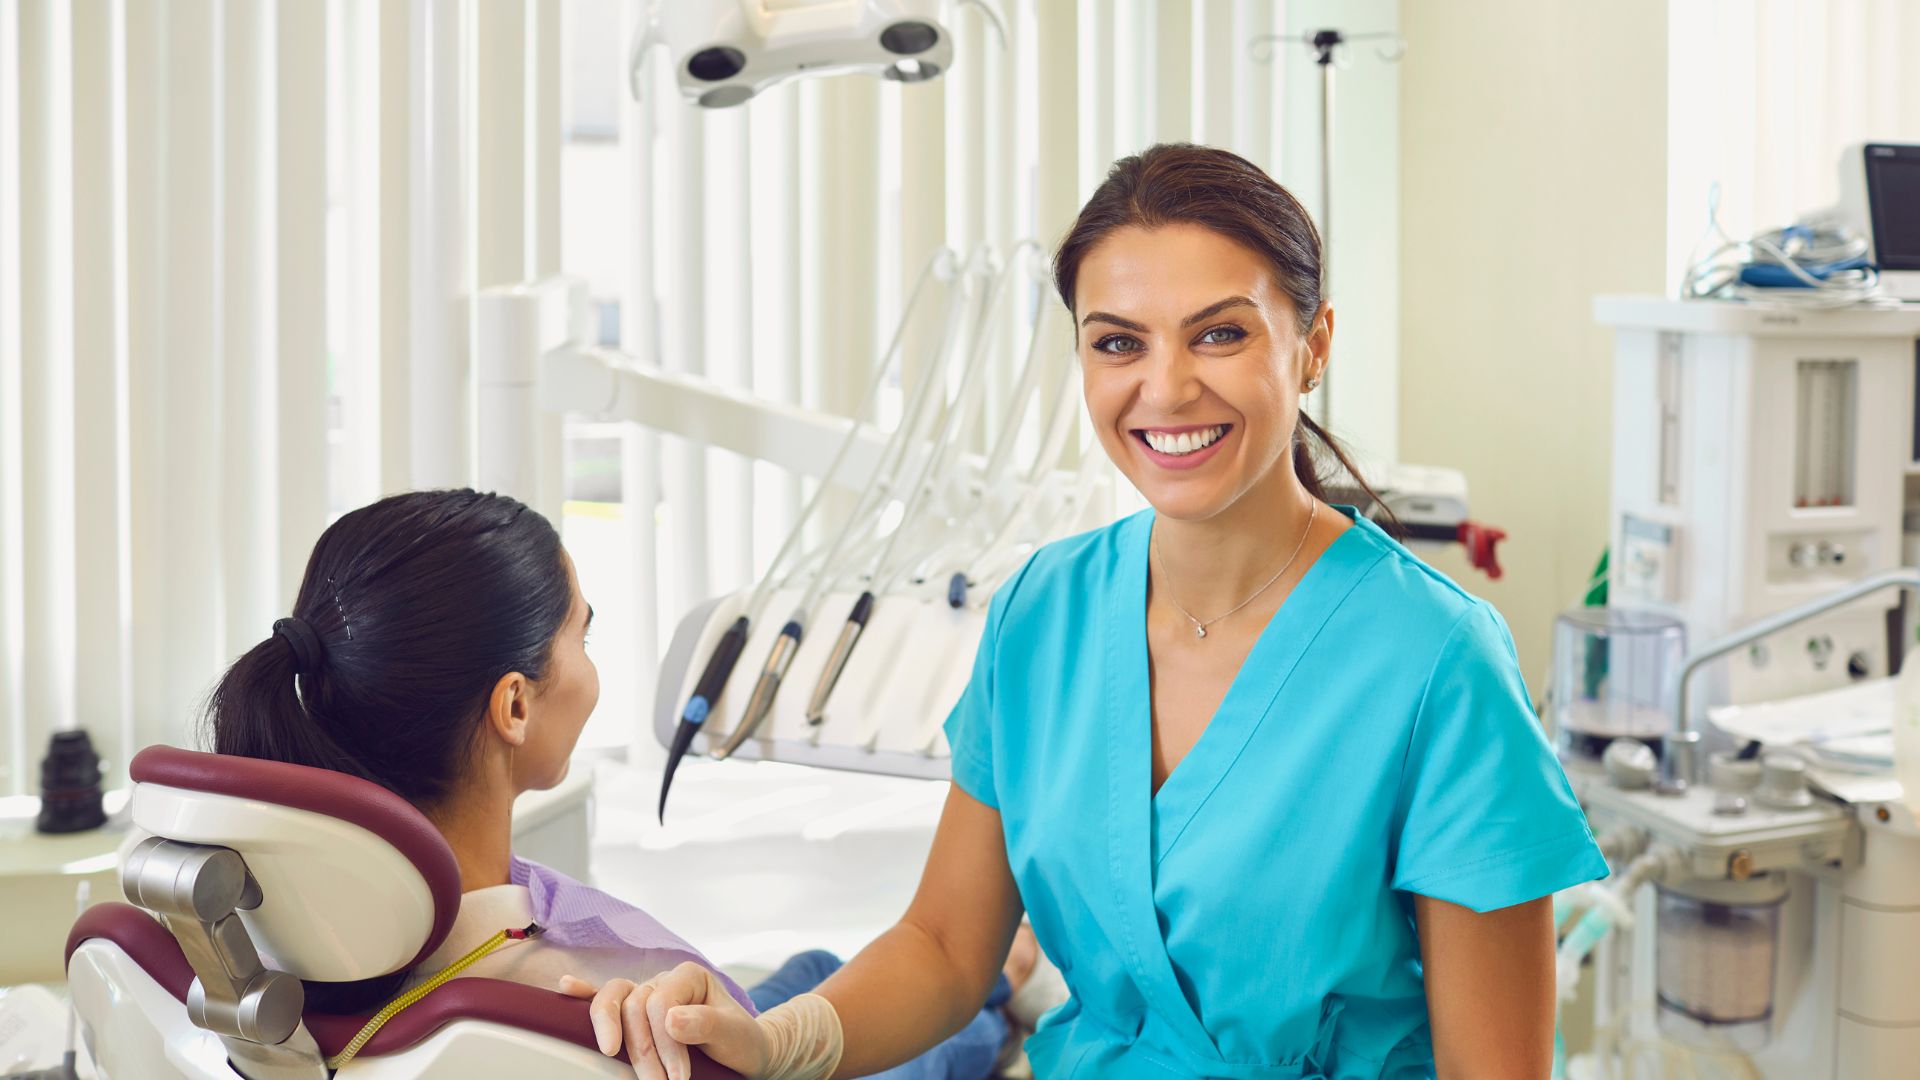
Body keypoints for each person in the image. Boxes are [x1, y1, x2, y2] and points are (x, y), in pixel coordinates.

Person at [582, 144, 1609, 1080]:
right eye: (1118, 344)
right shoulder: (1043, 611)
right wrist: (775, 1042)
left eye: (1219, 334)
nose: (1166, 389)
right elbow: (945, 950)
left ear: (1312, 345)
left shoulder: (1435, 661)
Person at [203, 488, 1030, 1078]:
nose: (591, 669)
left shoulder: (283, 928)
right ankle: (1002, 990)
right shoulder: (595, 998)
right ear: (515, 705)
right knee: (927, 1045)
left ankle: (995, 973)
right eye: (581, 635)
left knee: (813, 962)